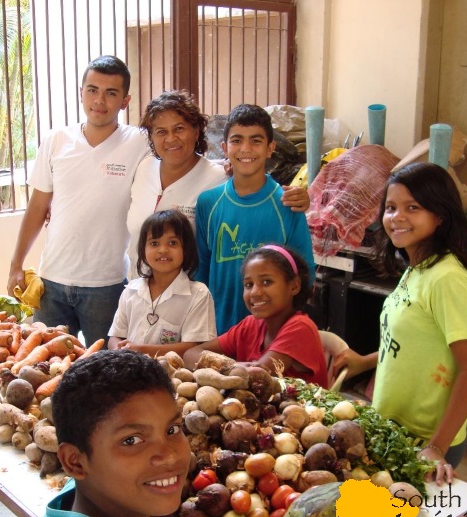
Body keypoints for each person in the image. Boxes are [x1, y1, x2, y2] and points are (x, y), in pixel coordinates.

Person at [26, 350, 251, 517]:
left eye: (172, 429)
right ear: (75, 462)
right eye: (131, 440)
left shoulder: (76, 497)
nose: (169, 456)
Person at [332, 162, 467, 485]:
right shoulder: (417, 268)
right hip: (395, 428)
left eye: (412, 208)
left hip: (426, 440)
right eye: (390, 208)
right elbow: (419, 344)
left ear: (440, 215)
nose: (396, 217)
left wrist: (436, 447)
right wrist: (365, 361)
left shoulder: (447, 280)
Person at [7, 56, 149, 346]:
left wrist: (223, 167)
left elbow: (178, 156)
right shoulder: (57, 140)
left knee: (105, 370)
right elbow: (38, 207)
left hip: (106, 286)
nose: (100, 100)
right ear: (81, 92)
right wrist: (16, 264)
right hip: (51, 283)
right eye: (92, 90)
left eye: (111, 93)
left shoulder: (139, 142)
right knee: (46, 366)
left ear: (125, 101)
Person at [126, 90, 310, 281]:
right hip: (138, 295)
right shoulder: (143, 167)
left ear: (196, 131)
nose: (171, 138)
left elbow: (253, 181)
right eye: (161, 132)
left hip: (188, 298)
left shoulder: (219, 178)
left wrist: (295, 196)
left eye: (179, 128)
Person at [194, 103, 316, 333]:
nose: (246, 149)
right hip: (219, 333)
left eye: (256, 141)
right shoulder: (208, 203)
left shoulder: (287, 203)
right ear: (224, 147)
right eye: (237, 140)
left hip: (272, 337)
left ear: (271, 148)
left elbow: (305, 274)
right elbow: (200, 272)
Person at [184, 245, 329, 387]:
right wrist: (231, 365)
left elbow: (257, 376)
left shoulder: (300, 328)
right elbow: (190, 354)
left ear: (294, 286)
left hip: (303, 409)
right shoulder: (250, 325)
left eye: (267, 282)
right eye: (248, 284)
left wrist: (226, 366)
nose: (255, 292)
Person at [109, 209, 216, 357]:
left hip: (174, 377)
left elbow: (195, 347)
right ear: (143, 249)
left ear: (186, 249)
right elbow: (115, 336)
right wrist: (120, 350)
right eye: (154, 243)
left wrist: (141, 351)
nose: (163, 250)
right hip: (129, 371)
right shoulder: (131, 290)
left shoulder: (198, 294)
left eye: (173, 243)